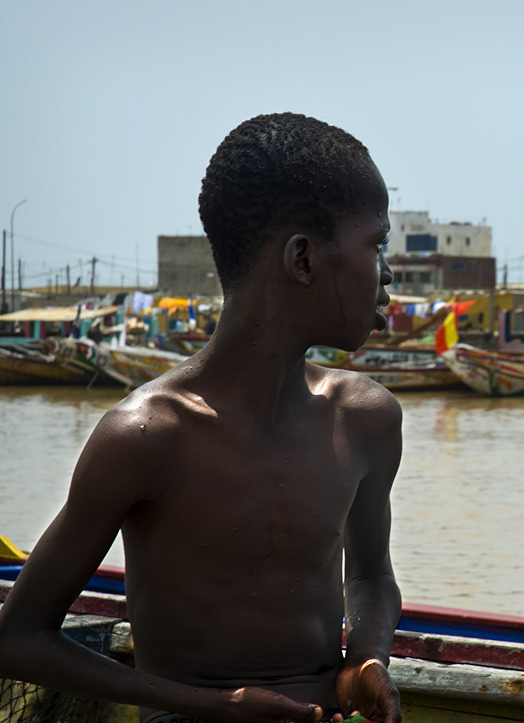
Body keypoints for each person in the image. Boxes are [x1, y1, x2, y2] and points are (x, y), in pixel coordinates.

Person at [0, 113, 403, 723]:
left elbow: (371, 575)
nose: (388, 273)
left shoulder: (367, 418)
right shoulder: (148, 435)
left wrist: (367, 658)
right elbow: (19, 639)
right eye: (376, 244)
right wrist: (214, 706)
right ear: (303, 259)